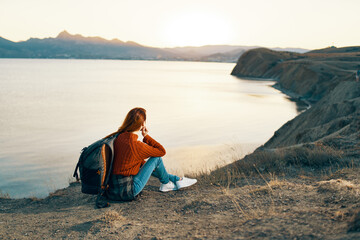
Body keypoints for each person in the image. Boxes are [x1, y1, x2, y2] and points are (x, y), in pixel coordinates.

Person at [105, 107, 197, 201]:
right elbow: (161, 151)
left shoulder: (119, 137)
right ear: (142, 124)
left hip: (112, 190)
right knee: (156, 159)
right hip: (128, 192)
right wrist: (146, 136)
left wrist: (150, 168)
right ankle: (166, 183)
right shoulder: (136, 145)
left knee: (146, 164)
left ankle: (177, 179)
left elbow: (137, 162)